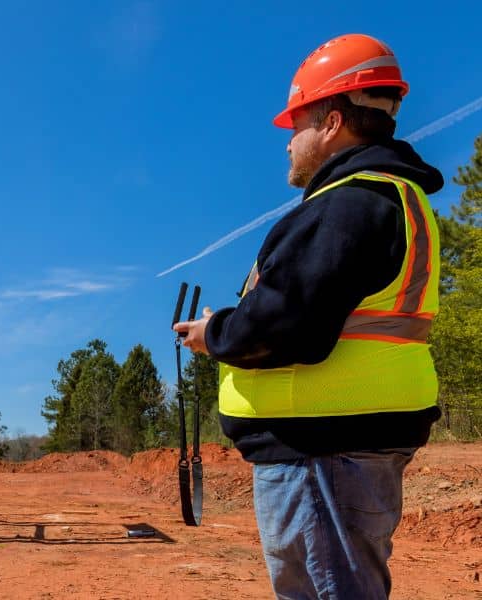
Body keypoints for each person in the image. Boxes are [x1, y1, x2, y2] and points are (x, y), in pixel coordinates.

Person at [173, 33, 443, 599]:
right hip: (347, 449)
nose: (288, 144)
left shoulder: (347, 206)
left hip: (324, 456)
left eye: (296, 125)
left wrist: (212, 332)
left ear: (333, 122)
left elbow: (285, 324)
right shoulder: (391, 198)